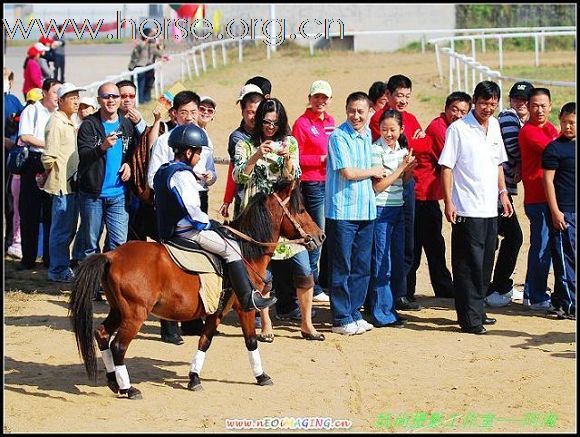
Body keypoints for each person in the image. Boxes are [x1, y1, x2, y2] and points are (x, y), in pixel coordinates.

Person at [153, 124, 277, 316]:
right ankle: (247, 297)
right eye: (198, 152)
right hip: (188, 231)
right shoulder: (183, 175)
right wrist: (210, 223)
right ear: (188, 152)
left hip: (167, 228)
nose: (200, 156)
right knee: (232, 249)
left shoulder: (165, 170)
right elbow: (192, 210)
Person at [233, 97, 325, 341]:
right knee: (264, 272)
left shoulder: (290, 142)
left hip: (286, 213)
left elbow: (294, 176)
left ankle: (307, 324)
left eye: (275, 122)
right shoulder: (245, 143)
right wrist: (256, 156)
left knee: (304, 268)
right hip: (257, 214)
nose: (270, 127)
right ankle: (266, 322)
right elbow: (238, 177)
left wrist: (285, 158)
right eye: (265, 122)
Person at [439, 80, 513, 335]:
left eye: (493, 103)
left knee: (485, 262)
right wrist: (449, 201)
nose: (488, 108)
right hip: (466, 208)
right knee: (467, 264)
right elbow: (446, 167)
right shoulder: (458, 129)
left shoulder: (494, 126)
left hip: (489, 207)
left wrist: (503, 193)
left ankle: (478, 309)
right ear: (474, 101)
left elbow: (498, 164)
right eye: (484, 103)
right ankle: (469, 319)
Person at [325, 92, 385, 335]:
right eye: (352, 111)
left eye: (361, 111)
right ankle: (340, 317)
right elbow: (347, 172)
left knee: (362, 266)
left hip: (366, 210)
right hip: (343, 211)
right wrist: (373, 171)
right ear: (346, 110)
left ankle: (353, 312)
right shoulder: (339, 137)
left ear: (369, 111)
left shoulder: (368, 134)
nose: (356, 116)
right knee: (342, 266)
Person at [147, 90, 200, 344]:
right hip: (171, 210)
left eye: (193, 112)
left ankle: (193, 319)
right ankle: (169, 328)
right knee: (168, 268)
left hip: (196, 203)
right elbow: (152, 177)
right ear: (174, 114)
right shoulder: (163, 142)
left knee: (197, 264)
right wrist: (177, 187)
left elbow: (207, 170)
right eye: (184, 112)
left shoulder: (201, 138)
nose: (189, 117)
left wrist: (204, 179)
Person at [370, 74, 425, 311]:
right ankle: (386, 298)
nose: (402, 100)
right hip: (384, 188)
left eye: (406, 96)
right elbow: (389, 147)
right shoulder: (378, 120)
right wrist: (412, 146)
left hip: (405, 183)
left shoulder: (410, 118)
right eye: (398, 95)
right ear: (388, 96)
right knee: (384, 247)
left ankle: (403, 291)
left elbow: (424, 147)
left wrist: (413, 147)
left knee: (407, 240)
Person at [412, 91, 472, 300]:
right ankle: (436, 287)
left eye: (463, 112)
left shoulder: (449, 128)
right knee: (427, 243)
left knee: (430, 243)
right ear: (445, 109)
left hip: (427, 194)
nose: (458, 115)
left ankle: (438, 286)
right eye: (454, 110)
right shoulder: (440, 130)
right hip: (422, 194)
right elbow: (452, 161)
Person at [485, 81, 533, 307]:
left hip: (501, 191)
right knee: (512, 237)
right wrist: (526, 163)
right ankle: (497, 286)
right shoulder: (509, 118)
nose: (521, 103)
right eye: (517, 98)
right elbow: (515, 149)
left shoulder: (517, 120)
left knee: (498, 239)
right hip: (496, 191)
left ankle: (494, 285)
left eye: (525, 99)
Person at [76, 82, 137, 263]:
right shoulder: (89, 125)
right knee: (90, 246)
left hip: (118, 194)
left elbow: (132, 151)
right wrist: (102, 147)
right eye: (106, 96)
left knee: (119, 244)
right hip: (92, 195)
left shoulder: (126, 125)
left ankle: (110, 286)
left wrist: (128, 164)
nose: (111, 100)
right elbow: (84, 155)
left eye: (114, 96)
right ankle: (90, 287)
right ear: (99, 100)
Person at [368, 109, 417, 327]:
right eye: (384, 129)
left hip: (398, 209)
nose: (389, 134)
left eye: (393, 129)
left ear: (401, 130)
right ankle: (381, 313)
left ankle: (389, 307)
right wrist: (402, 168)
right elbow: (378, 186)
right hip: (381, 211)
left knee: (397, 260)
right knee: (382, 262)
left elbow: (404, 181)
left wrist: (408, 169)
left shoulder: (402, 150)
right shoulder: (375, 150)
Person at [292, 80, 336, 303]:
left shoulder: (331, 122)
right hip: (311, 184)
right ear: (309, 98)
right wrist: (320, 159)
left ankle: (311, 280)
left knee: (323, 233)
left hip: (329, 183)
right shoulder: (301, 124)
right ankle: (311, 282)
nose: (321, 101)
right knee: (315, 233)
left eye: (324, 97)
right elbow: (294, 156)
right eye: (317, 97)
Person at [519, 87, 559, 310]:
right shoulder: (529, 131)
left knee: (547, 247)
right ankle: (535, 295)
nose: (539, 110)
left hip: (551, 196)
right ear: (528, 106)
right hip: (537, 197)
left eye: (543, 105)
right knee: (541, 247)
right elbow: (554, 151)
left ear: (550, 106)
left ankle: (533, 291)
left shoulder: (551, 128)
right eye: (535, 105)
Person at [17, 78, 62, 270]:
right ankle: (28, 258)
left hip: (54, 165)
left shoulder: (61, 114)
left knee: (52, 214)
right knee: (30, 213)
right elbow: (25, 136)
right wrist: (49, 144)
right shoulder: (32, 110)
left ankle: (49, 258)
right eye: (54, 93)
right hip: (35, 163)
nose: (58, 97)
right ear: (44, 93)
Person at [41, 83, 84, 282]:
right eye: (71, 97)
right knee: (61, 230)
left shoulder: (68, 121)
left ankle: (62, 266)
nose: (76, 101)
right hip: (61, 185)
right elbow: (48, 157)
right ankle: (57, 270)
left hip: (71, 184)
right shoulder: (56, 122)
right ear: (60, 101)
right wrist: (49, 175)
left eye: (77, 96)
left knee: (69, 228)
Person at [542, 102, 576, 319]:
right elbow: (548, 181)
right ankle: (570, 304)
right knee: (566, 260)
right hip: (565, 212)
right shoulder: (554, 148)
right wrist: (555, 211)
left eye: (572, 122)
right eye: (564, 122)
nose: (568, 127)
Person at [220, 84, 264, 220]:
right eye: (250, 112)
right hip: (245, 203)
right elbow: (237, 170)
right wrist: (228, 199)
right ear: (242, 111)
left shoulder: (269, 131)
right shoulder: (237, 138)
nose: (254, 117)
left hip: (267, 201)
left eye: (258, 112)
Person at [4, 68, 24, 257]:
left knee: (10, 203)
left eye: (8, 78)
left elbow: (22, 121)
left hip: (9, 160)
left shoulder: (13, 100)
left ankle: (10, 240)